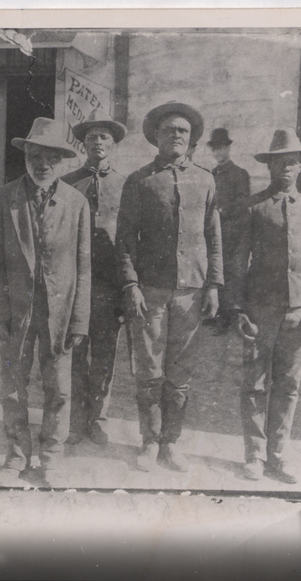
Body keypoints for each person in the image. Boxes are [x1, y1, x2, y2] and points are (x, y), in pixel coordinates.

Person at [116, 101, 223, 473]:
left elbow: (213, 235)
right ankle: (149, 441)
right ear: (156, 137)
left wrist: (213, 285)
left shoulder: (205, 179)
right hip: (152, 291)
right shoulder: (140, 180)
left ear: (191, 139)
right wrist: (131, 283)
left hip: (190, 292)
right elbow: (126, 238)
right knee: (149, 371)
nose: (176, 135)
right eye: (169, 130)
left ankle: (171, 443)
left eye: (183, 131)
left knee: (180, 373)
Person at [0, 117, 91, 487]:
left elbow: (83, 265)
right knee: (14, 388)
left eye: (51, 157)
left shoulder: (76, 202)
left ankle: (51, 458)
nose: (42, 163)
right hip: (17, 312)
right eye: (35, 155)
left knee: (58, 389)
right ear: (26, 156)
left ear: (63, 161)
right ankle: (16, 456)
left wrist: (79, 320)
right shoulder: (6, 197)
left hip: (59, 314)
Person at [229, 129, 301, 484]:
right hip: (260, 312)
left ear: (300, 166)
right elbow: (237, 263)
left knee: (288, 385)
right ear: (270, 166)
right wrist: (239, 309)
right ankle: (255, 456)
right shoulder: (254, 207)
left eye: (292, 162)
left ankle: (277, 454)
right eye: (279, 162)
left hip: (299, 313)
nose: (286, 169)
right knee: (256, 384)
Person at [61, 109, 128, 446]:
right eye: (91, 137)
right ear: (83, 144)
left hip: (110, 282)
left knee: (104, 352)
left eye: (104, 137)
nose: (98, 142)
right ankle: (75, 420)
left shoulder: (125, 185)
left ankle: (98, 419)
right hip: (75, 282)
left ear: (113, 144)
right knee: (74, 349)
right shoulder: (68, 183)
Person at [207, 128, 251, 335]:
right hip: (213, 232)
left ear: (228, 148)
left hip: (231, 232)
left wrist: (222, 212)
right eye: (215, 148)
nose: (218, 152)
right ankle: (213, 313)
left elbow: (242, 203)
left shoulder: (240, 174)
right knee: (214, 270)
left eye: (222, 148)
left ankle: (228, 317)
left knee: (230, 274)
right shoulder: (210, 174)